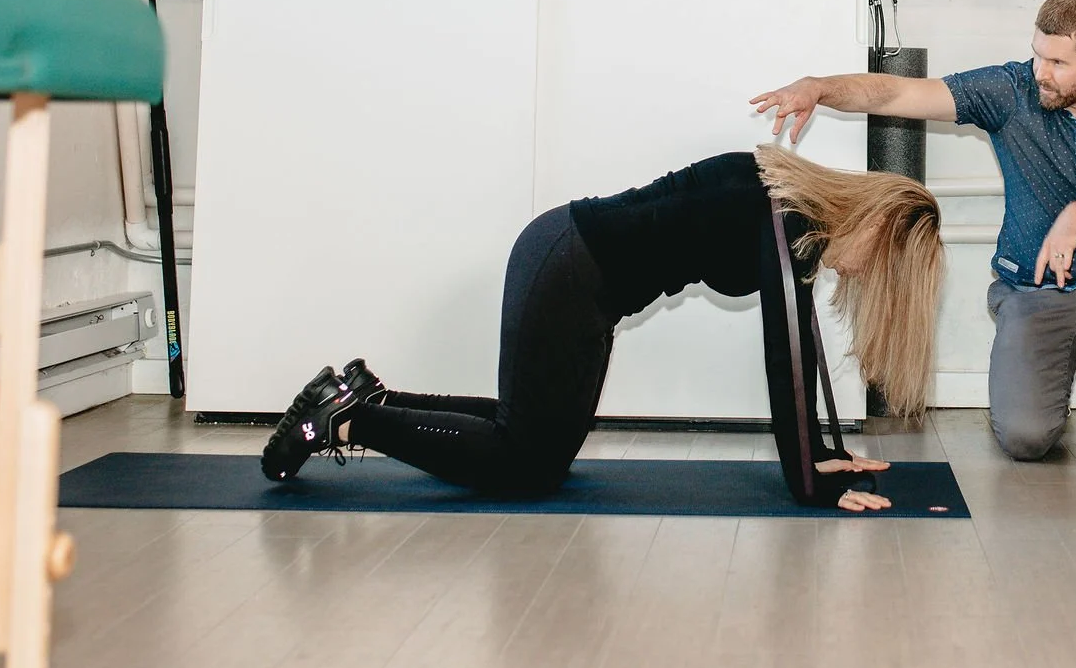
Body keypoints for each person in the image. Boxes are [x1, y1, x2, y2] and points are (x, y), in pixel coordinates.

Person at [259, 147, 944, 512]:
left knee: (532, 444)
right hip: (569, 266)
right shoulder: (788, 217)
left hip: (572, 265)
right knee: (526, 460)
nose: (863, 277)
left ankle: (366, 398)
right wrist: (810, 484)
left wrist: (824, 450)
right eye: (882, 264)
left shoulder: (792, 210)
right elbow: (782, 352)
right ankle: (348, 420)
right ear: (879, 223)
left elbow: (799, 349)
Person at [751, 0, 1076, 465]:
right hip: (1038, 289)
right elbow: (899, 92)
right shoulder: (1010, 91)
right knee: (1027, 439)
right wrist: (820, 87)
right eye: (1037, 56)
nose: (1040, 73)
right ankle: (1044, 371)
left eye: (1057, 64)